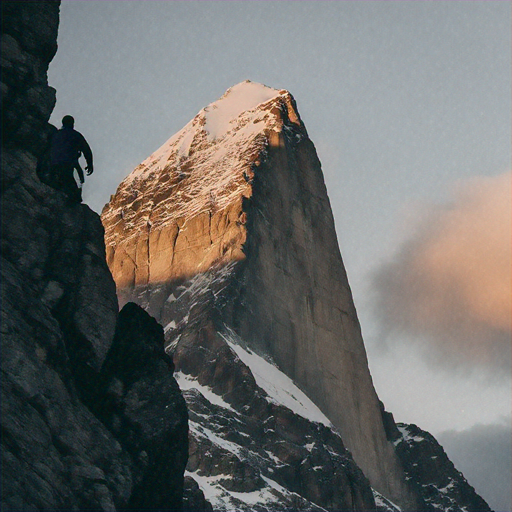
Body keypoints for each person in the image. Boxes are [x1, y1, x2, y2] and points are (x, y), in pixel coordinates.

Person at [49, 115, 93, 204]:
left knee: (60, 179)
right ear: (72, 124)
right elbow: (86, 150)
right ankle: (74, 199)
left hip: (53, 163)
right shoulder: (76, 135)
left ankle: (61, 191)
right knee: (76, 179)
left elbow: (48, 147)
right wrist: (90, 164)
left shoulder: (56, 134)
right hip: (69, 163)